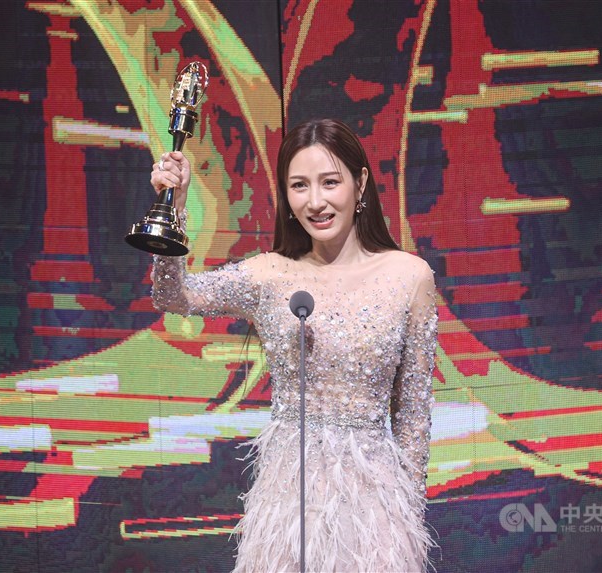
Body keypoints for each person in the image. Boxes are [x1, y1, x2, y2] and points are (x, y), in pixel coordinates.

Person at [150, 118, 437, 572]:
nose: (316, 202)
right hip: (288, 499)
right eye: (299, 186)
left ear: (360, 183)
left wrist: (406, 517)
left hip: (374, 504)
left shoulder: (409, 277)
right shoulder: (270, 275)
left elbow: (414, 413)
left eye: (330, 182)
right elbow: (173, 295)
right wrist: (175, 207)